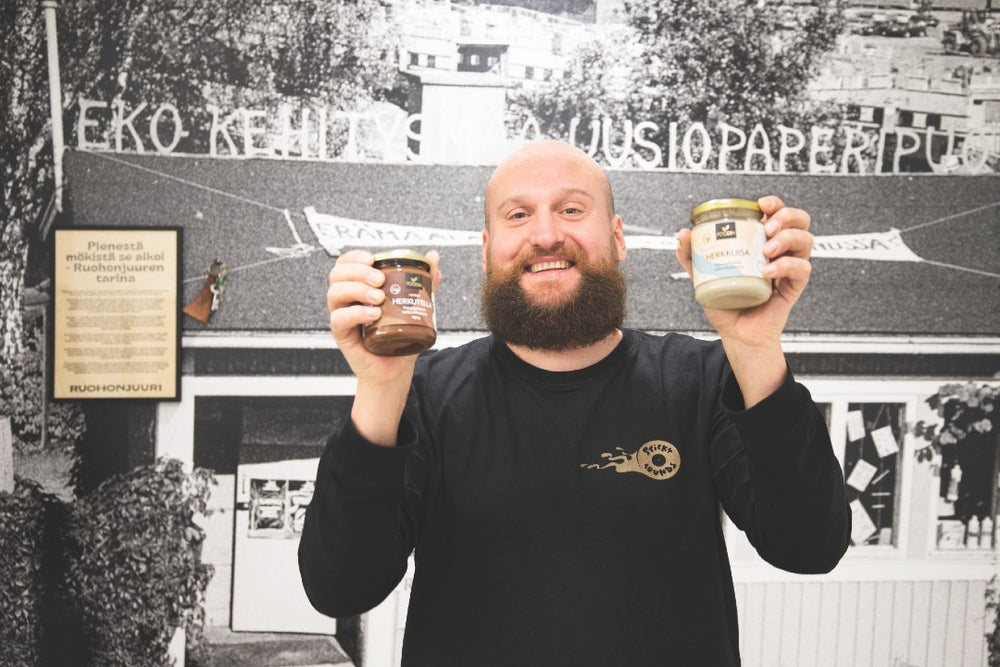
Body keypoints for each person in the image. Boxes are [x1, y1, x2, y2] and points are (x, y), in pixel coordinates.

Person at [299, 140, 850, 666]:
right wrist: (381, 385)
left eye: (571, 209)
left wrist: (755, 347)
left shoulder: (703, 380)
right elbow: (340, 587)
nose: (545, 235)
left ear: (617, 238)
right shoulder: (424, 393)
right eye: (518, 215)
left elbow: (810, 547)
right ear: (487, 251)